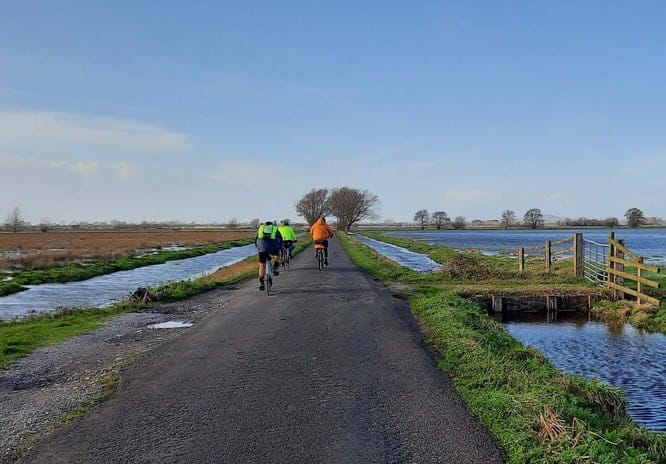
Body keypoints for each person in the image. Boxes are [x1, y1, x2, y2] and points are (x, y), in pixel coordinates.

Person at [255, 220, 283, 291]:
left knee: (262, 265)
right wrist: (280, 247)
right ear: (271, 225)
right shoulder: (275, 228)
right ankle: (275, 268)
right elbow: (281, 239)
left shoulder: (260, 229)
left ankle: (261, 282)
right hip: (273, 247)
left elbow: (255, 240)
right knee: (277, 256)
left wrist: (259, 249)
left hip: (262, 249)